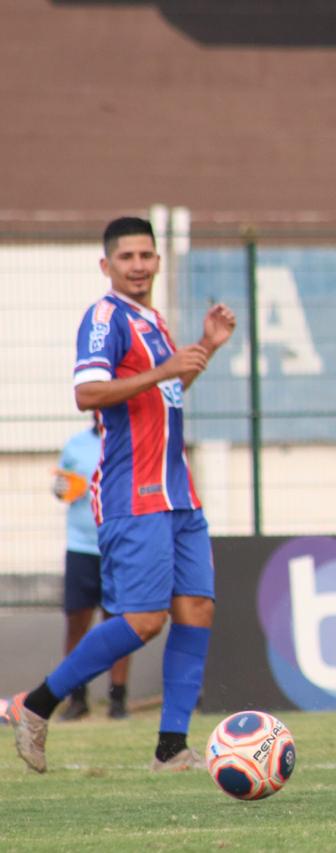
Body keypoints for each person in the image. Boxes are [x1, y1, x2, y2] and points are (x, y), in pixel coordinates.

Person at [10, 216, 236, 774]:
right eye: (127, 257)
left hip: (179, 492)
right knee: (143, 620)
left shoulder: (153, 321)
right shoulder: (105, 317)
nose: (138, 265)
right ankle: (36, 704)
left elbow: (166, 393)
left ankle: (171, 748)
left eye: (146, 255)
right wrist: (164, 370)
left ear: (158, 260)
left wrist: (205, 348)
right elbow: (87, 392)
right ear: (106, 265)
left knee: (197, 608)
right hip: (133, 490)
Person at [52, 420, 130, 721]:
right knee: (77, 623)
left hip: (120, 545)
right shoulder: (76, 444)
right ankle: (77, 698)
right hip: (81, 547)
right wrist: (66, 487)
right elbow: (60, 489)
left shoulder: (130, 439)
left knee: (120, 623)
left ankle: (118, 700)